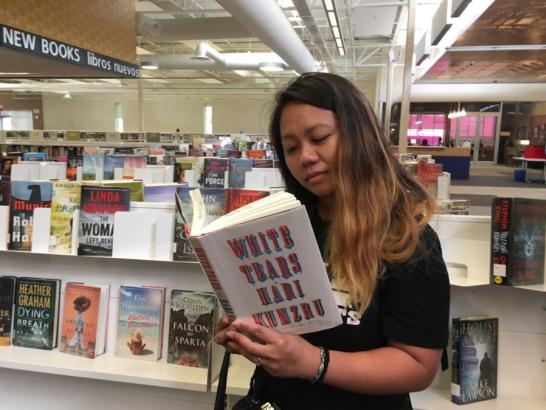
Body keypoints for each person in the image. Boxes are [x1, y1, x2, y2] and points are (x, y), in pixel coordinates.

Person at [214, 72, 450, 410]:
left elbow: (418, 365)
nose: (305, 157)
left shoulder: (403, 238)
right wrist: (245, 333)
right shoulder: (283, 226)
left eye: (320, 138)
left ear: (358, 135)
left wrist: (312, 362)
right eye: (291, 148)